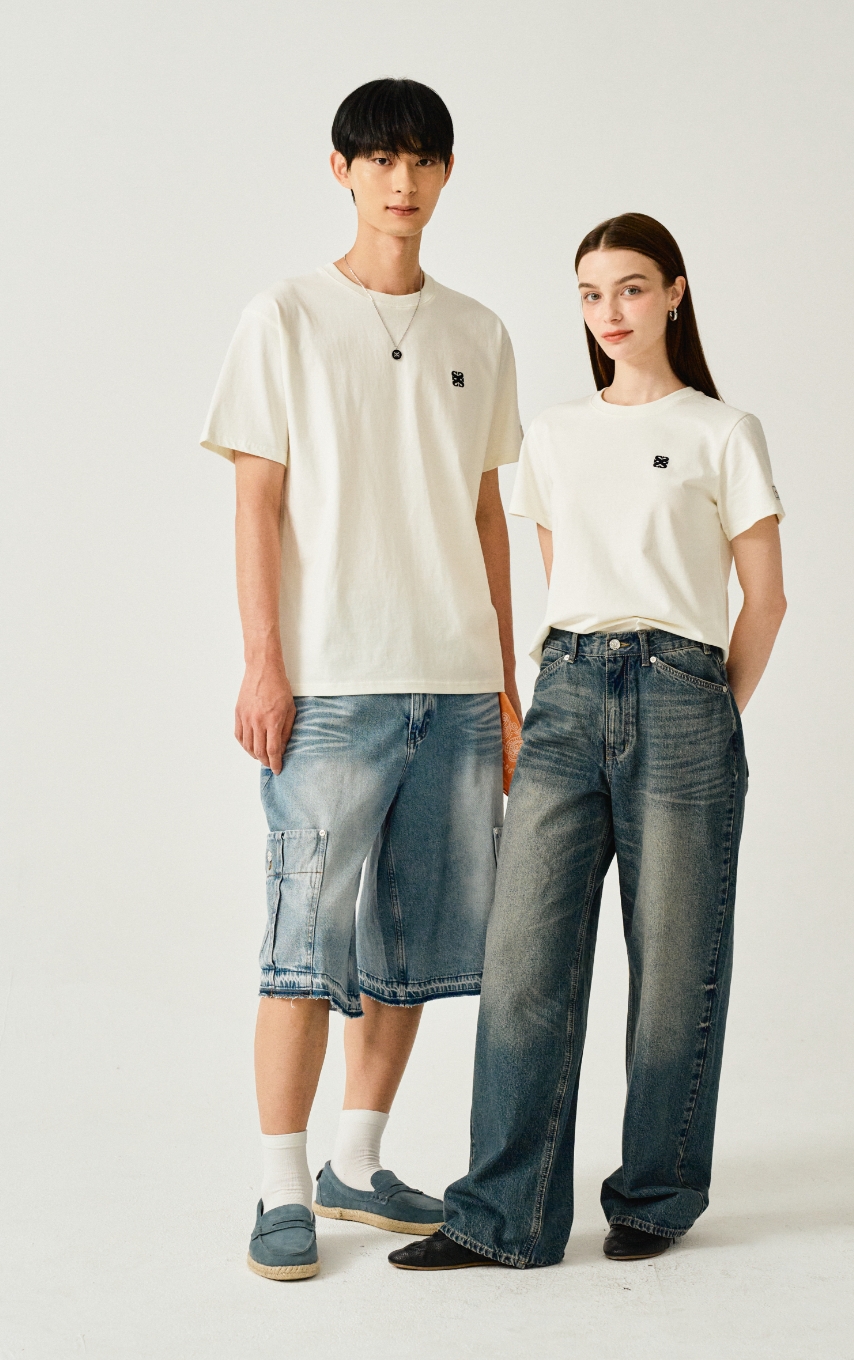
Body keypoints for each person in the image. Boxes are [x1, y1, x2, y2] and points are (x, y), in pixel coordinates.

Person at [389, 212, 787, 1271]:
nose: (609, 312)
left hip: (683, 693)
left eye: (631, 288)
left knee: (676, 969)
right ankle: (503, 1215)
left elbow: (765, 598)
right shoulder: (556, 433)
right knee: (522, 960)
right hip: (566, 692)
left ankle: (655, 1195)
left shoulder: (722, 430)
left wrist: (711, 710)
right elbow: (560, 575)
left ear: (674, 293)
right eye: (591, 294)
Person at [200, 77, 522, 1281]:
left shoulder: (479, 331)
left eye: (422, 159)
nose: (402, 180)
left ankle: (356, 1161)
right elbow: (257, 501)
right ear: (340, 169)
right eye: (380, 158)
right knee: (304, 938)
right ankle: (280, 1184)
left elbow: (486, 515)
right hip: (331, 682)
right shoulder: (283, 316)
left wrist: (501, 678)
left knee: (415, 945)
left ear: (446, 174)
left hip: (455, 683)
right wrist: (263, 662)